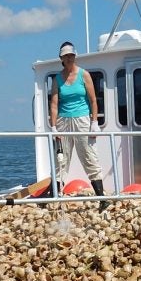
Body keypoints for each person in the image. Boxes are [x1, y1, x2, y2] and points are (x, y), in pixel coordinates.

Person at [48, 41, 108, 211]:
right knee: (61, 159)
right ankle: (55, 197)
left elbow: (93, 99)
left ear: (75, 56)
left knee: (89, 156)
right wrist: (54, 127)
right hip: (63, 121)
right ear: (61, 58)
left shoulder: (84, 74)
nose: (69, 58)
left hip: (82, 120)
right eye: (66, 55)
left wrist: (94, 122)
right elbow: (54, 103)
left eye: (71, 55)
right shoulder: (57, 79)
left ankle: (102, 198)